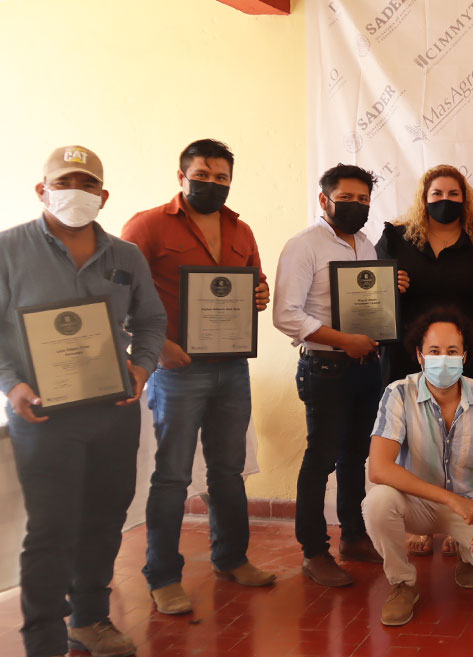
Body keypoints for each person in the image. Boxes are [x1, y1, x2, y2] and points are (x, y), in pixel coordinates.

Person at [1, 146, 166, 657]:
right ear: (41, 189)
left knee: (104, 515)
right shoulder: (8, 250)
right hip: (42, 414)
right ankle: (43, 640)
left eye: (88, 183)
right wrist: (12, 384)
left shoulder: (125, 256)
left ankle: (90, 619)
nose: (77, 191)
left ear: (103, 195)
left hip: (112, 411)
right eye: (65, 181)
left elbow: (151, 321)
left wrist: (143, 366)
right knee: (51, 527)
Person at [121, 139, 275, 615]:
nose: (212, 184)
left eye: (222, 178)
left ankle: (231, 558)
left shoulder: (241, 229)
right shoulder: (146, 226)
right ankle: (163, 576)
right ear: (182, 175)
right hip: (176, 369)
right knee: (171, 477)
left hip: (231, 367)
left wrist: (259, 295)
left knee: (228, 471)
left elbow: (256, 282)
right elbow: (119, 298)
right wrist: (157, 348)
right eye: (203, 175)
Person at [362, 308, 473, 626]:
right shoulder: (398, 393)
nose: (443, 358)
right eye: (434, 351)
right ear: (420, 356)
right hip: (417, 503)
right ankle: (403, 583)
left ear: (464, 356)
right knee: (377, 502)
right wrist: (449, 499)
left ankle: (468, 555)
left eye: (452, 351)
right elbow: (379, 468)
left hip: (471, 504)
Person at [375, 164, 473, 559]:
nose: (445, 201)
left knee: (465, 439)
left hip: (467, 358)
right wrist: (387, 283)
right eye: (437, 194)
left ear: (466, 199)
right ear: (424, 198)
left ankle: (455, 523)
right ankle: (421, 522)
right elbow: (369, 291)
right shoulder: (396, 238)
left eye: (454, 195)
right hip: (408, 357)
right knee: (414, 440)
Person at [273, 164, 385, 587]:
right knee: (320, 458)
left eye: (363, 200)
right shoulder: (304, 246)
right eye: (348, 198)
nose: (356, 206)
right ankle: (314, 551)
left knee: (356, 456)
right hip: (325, 368)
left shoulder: (367, 245)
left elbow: (369, 305)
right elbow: (286, 315)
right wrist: (343, 341)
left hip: (365, 367)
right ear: (324, 199)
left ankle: (354, 537)